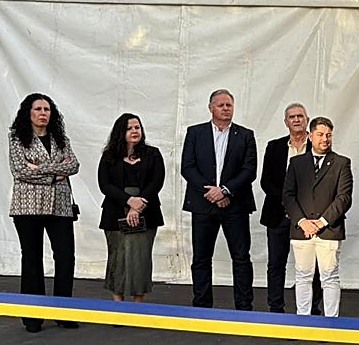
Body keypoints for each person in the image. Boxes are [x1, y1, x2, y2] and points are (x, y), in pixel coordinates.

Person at [8, 93, 80, 333]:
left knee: (66, 257)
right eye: (38, 109)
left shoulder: (61, 139)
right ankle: (33, 315)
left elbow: (74, 166)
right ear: (28, 112)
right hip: (27, 207)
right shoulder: (17, 138)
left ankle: (62, 312)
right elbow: (20, 171)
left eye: (47, 109)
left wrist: (40, 168)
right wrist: (55, 173)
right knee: (32, 260)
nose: (42, 113)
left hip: (60, 206)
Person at [180, 89, 258, 310]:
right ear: (210, 108)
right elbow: (188, 167)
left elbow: (249, 170)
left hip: (235, 205)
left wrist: (225, 191)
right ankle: (202, 306)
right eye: (221, 105)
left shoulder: (245, 135)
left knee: (241, 257)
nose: (226, 108)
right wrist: (212, 193)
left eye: (229, 105)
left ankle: (244, 307)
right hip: (203, 205)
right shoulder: (195, 133)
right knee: (201, 258)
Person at [283, 116, 353, 317]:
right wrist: (303, 222)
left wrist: (321, 222)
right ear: (310, 135)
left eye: (329, 135)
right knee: (303, 276)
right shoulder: (296, 163)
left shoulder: (341, 163)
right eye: (321, 134)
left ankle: (331, 322)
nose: (325, 139)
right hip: (301, 231)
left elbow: (344, 198)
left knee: (329, 277)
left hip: (329, 230)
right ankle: (303, 320)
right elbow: (288, 195)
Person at [259, 103, 321, 314]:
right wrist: (288, 205)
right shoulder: (274, 147)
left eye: (300, 116)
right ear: (286, 122)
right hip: (278, 214)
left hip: (308, 217)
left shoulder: (318, 147)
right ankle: (275, 309)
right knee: (276, 263)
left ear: (307, 120)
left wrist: (300, 211)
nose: (296, 120)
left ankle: (312, 310)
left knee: (311, 267)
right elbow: (266, 181)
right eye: (292, 117)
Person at [97, 113, 165, 303]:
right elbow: (105, 184)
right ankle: (118, 305)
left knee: (139, 260)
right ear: (120, 132)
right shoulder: (109, 156)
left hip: (146, 212)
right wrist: (129, 201)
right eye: (129, 128)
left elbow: (156, 181)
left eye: (137, 127)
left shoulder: (153, 154)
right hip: (115, 212)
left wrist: (138, 204)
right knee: (118, 258)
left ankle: (138, 307)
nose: (135, 131)